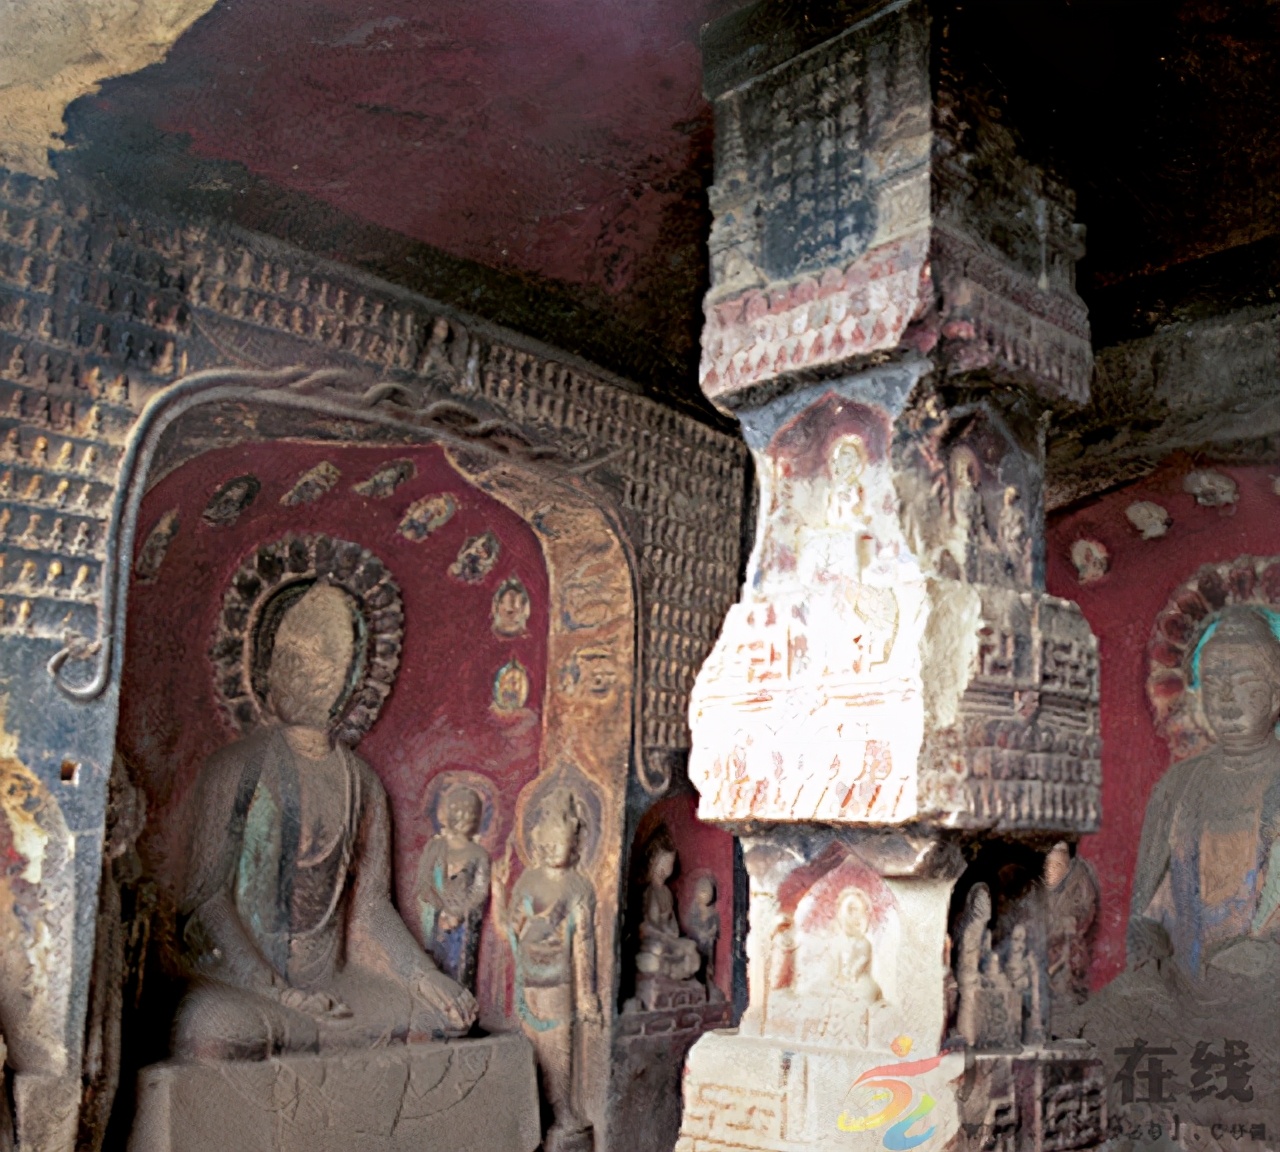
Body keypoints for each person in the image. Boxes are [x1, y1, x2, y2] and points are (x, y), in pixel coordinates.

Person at [174, 583, 476, 1061]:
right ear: (263, 661)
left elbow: (370, 911)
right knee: (210, 1028)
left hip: (337, 985)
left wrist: (423, 975)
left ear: (353, 678)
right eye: (291, 656)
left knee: (440, 1021)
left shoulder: (362, 784)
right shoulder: (237, 768)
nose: (308, 676)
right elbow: (205, 901)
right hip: (250, 987)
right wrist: (273, 990)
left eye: (327, 662)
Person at [492, 788, 601, 1152]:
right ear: (537, 842)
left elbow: (584, 942)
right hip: (528, 978)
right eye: (549, 842)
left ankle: (563, 1110)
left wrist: (587, 995)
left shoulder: (578, 886)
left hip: (560, 982)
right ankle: (531, 1113)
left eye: (562, 841)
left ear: (576, 844)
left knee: (559, 1047)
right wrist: (497, 890)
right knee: (529, 1044)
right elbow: (509, 928)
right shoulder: (528, 881)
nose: (555, 849)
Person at [416, 783, 490, 992]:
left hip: (462, 928)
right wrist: (439, 910)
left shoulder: (478, 855)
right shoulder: (435, 848)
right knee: (433, 970)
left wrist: (458, 913)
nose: (465, 815)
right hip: (435, 921)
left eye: (471, 811)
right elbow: (424, 883)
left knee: (458, 974)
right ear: (445, 813)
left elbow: (479, 891)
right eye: (458, 809)